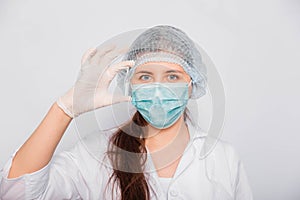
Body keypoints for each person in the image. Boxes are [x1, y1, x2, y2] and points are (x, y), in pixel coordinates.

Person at [0, 25, 253, 200]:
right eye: (145, 76)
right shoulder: (95, 153)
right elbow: (15, 194)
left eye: (172, 76)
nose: (158, 88)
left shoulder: (223, 158)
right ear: (130, 83)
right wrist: (65, 109)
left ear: (192, 85)